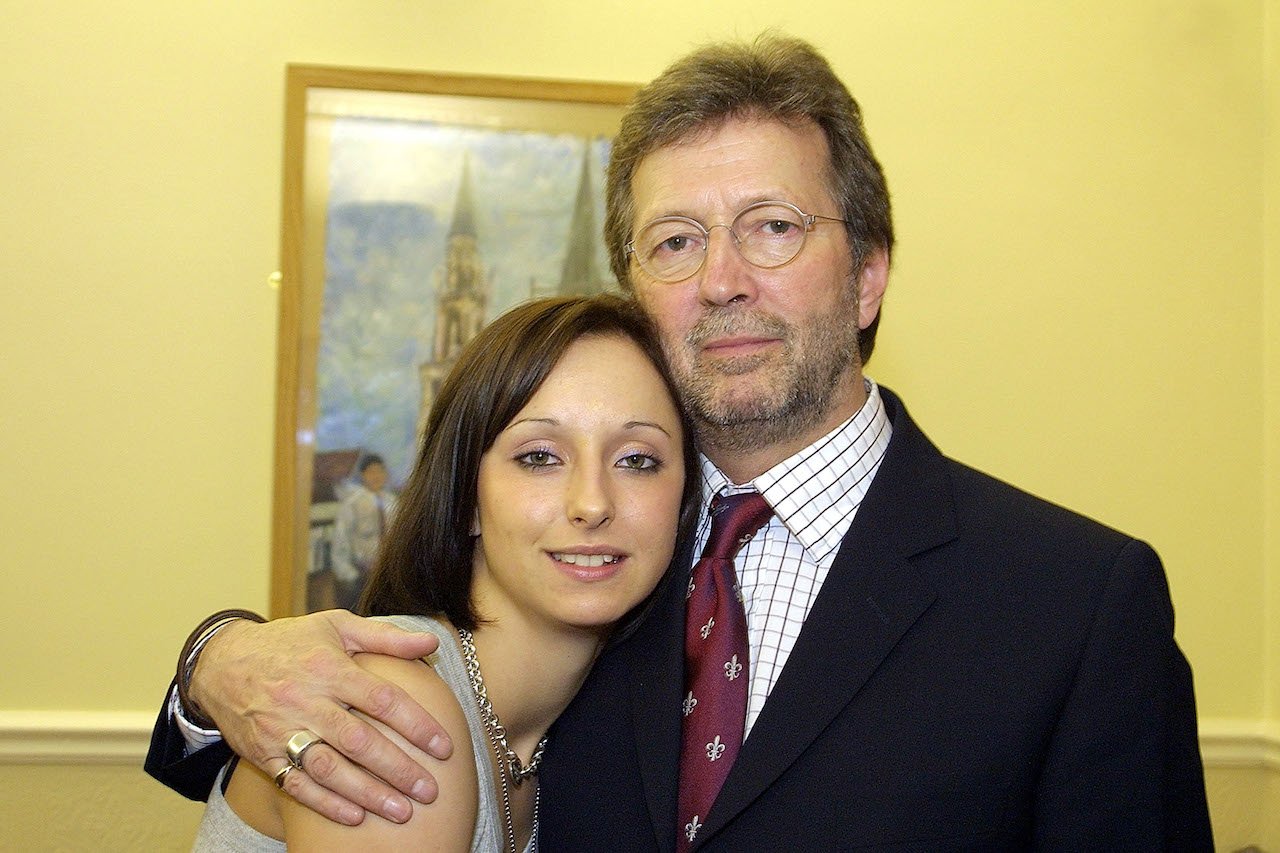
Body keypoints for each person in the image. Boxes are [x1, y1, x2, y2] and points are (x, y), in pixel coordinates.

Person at [148, 35, 1213, 850]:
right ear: (635, 290)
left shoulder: (1074, 603)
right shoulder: (596, 567)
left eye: (772, 226)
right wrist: (214, 665)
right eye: (674, 240)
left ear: (867, 275)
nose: (720, 280)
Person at [190, 294, 700, 850]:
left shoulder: (587, 729)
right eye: (539, 457)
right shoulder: (395, 709)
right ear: (467, 499)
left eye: (637, 460)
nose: (592, 503)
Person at [329, 453, 397, 610]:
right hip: (362, 574)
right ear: (363, 475)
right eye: (372, 472)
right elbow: (341, 539)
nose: (376, 476)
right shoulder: (352, 503)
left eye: (380, 471)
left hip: (388, 574)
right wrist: (348, 574)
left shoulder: (392, 502)